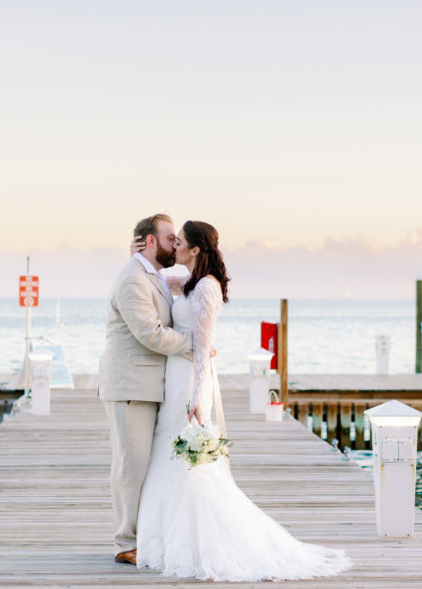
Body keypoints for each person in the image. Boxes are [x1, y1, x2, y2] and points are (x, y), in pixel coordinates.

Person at [135, 220, 351, 582]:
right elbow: (156, 280)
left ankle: (197, 544)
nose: (175, 247)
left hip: (189, 380)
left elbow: (203, 348)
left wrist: (197, 397)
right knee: (166, 457)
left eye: (181, 242)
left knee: (191, 467)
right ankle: (162, 539)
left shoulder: (207, 288)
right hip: (173, 377)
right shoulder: (188, 282)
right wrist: (139, 256)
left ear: (196, 250)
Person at [98, 213, 194, 566]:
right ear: (150, 241)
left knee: (145, 466)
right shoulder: (132, 280)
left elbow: (190, 276)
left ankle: (144, 535)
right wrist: (193, 344)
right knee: (131, 466)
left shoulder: (149, 274)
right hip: (130, 386)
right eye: (170, 238)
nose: (176, 244)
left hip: (149, 386)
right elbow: (150, 333)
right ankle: (125, 541)